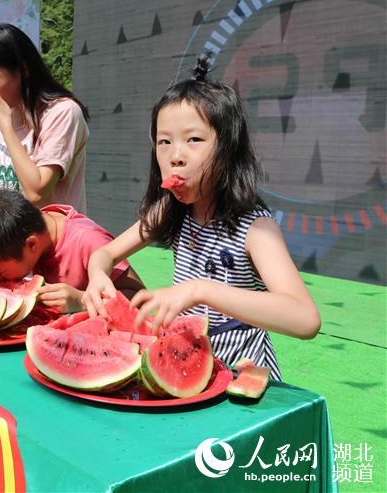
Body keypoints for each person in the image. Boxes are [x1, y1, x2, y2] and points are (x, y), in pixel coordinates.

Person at [83, 54, 320, 381]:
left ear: (228, 148)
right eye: (164, 142)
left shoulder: (255, 228)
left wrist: (200, 290)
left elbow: (305, 319)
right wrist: (98, 276)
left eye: (193, 140)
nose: (175, 156)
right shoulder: (172, 208)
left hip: (242, 368)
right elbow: (105, 253)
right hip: (183, 358)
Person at [0, 24, 89, 212]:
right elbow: (8, 184)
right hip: (9, 238)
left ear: (24, 70)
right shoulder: (3, 112)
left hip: (54, 239)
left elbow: (36, 192)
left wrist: (6, 127)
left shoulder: (63, 113)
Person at [0, 189, 143, 314]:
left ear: (31, 245)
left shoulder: (88, 241)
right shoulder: (22, 231)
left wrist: (82, 301)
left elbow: (139, 298)